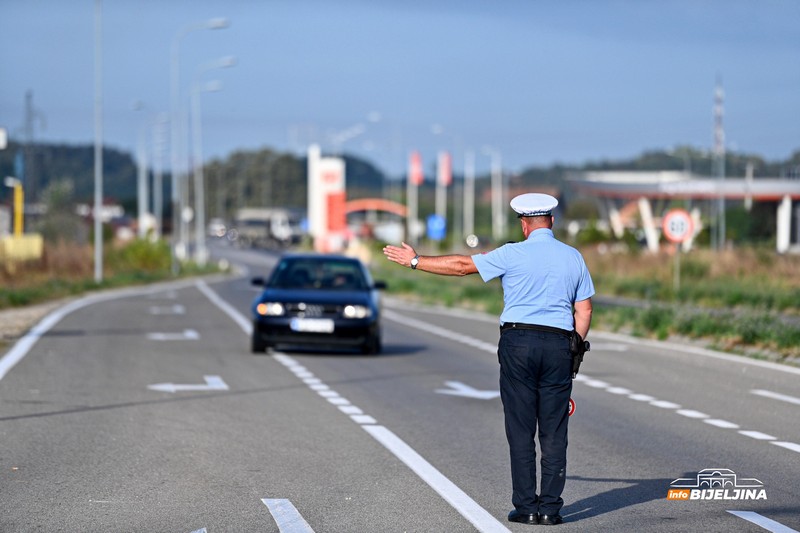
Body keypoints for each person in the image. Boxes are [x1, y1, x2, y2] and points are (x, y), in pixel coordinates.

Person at [382, 193, 594, 526]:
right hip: (558, 345)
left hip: (519, 343)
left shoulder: (511, 253)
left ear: (524, 225)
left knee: (521, 428)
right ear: (551, 221)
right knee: (554, 431)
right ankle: (551, 509)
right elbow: (584, 310)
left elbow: (462, 266)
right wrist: (573, 350)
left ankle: (526, 507)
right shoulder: (574, 258)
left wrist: (414, 261)